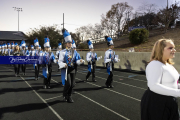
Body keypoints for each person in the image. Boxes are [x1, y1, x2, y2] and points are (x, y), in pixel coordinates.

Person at [141, 39, 180, 120]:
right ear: (161, 49)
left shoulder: (168, 64)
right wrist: (177, 92)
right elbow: (154, 86)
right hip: (157, 103)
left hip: (170, 101)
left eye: (174, 48)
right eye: (170, 48)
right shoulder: (155, 64)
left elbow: (172, 83)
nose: (174, 50)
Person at [58, 29, 84, 103]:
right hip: (66, 69)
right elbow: (60, 62)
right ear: (66, 44)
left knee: (72, 84)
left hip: (72, 69)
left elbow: (76, 60)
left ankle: (68, 96)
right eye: (68, 43)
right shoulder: (62, 52)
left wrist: (80, 61)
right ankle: (65, 95)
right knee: (68, 84)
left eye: (71, 43)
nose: (70, 44)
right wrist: (64, 64)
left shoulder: (74, 52)